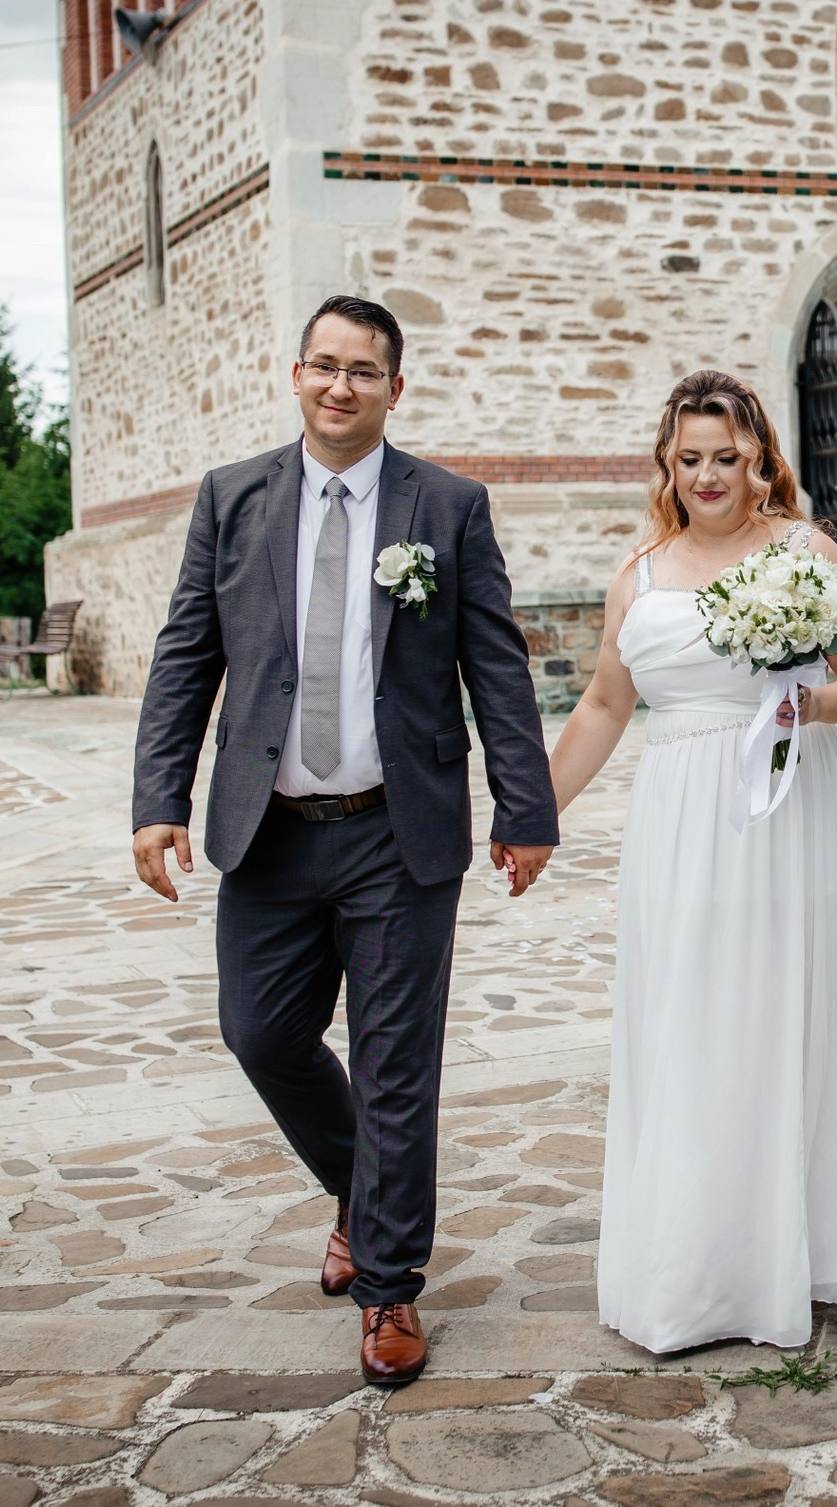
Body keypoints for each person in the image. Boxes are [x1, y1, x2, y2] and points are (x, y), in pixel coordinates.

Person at [128, 294, 557, 1385]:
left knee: (396, 1064)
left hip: (396, 835)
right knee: (259, 1034)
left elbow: (495, 669)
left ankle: (389, 1290)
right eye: (323, 365)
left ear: (394, 390)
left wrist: (524, 809)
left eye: (363, 370)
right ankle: (361, 1196)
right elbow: (187, 654)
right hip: (266, 834)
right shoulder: (233, 500)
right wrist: (156, 796)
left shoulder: (448, 508)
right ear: (295, 374)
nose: (339, 385)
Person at [547, 369, 837, 1353]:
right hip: (680, 824)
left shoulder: (803, 550)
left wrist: (806, 706)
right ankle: (700, 1269)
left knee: (789, 1017)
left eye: (726, 456)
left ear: (758, 459)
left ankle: (802, 1254)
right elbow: (604, 707)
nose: (708, 474)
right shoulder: (643, 571)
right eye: (689, 458)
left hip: (793, 808)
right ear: (668, 466)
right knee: (690, 1025)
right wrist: (533, 812)